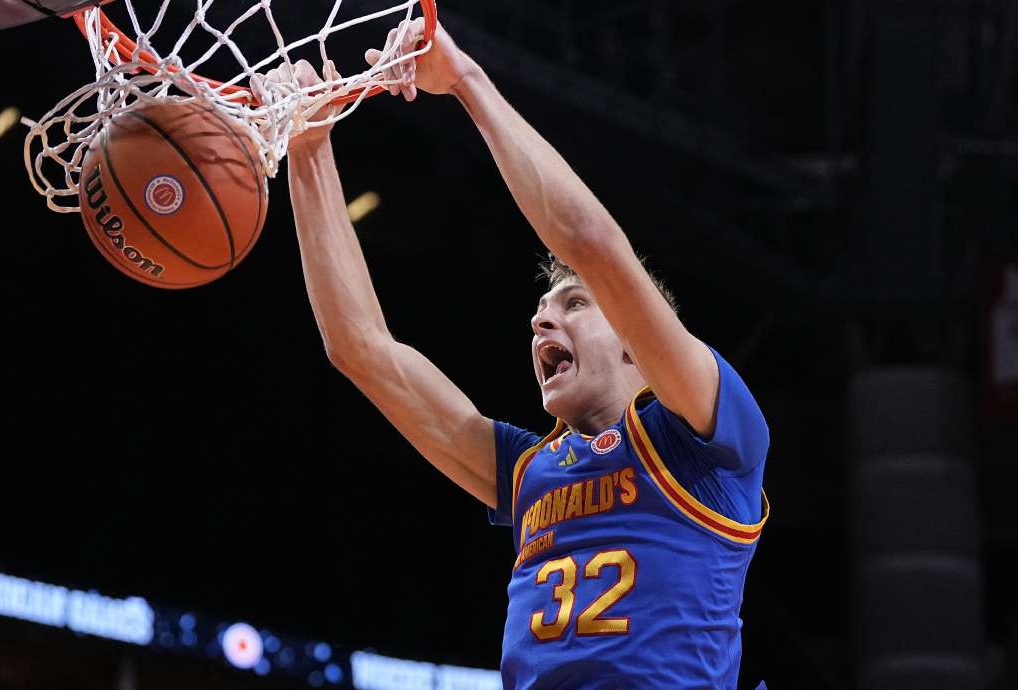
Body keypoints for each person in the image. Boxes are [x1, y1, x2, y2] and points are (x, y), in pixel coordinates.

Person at [258, 18, 770, 690]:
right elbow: (361, 348)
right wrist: (309, 148)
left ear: (636, 346)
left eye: (575, 305)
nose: (541, 317)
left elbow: (589, 239)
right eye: (543, 308)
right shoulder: (531, 472)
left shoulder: (710, 442)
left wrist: (466, 82)